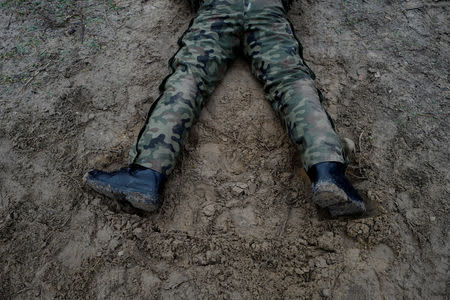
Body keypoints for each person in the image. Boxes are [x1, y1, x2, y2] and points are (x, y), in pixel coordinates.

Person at [84, 0, 366, 217]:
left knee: (191, 75)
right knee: (290, 79)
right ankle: (328, 171)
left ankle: (146, 173)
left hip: (218, 8)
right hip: (267, 8)